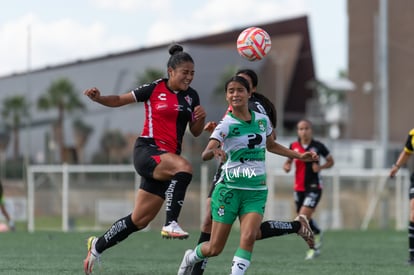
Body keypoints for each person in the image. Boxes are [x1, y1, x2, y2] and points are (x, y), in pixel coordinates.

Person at [82, 44, 206, 275]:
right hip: (147, 150)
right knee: (185, 167)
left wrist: (200, 119)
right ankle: (170, 224)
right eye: (184, 72)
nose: (189, 77)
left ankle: (97, 246)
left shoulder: (192, 96)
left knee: (140, 220)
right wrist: (99, 99)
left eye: (192, 73)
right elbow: (120, 99)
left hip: (167, 160)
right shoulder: (155, 88)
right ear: (171, 71)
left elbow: (196, 131)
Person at [178, 76, 318, 275]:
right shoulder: (225, 124)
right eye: (231, 91)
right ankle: (190, 257)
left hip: (255, 191)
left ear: (249, 94)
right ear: (227, 96)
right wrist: (214, 151)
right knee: (215, 248)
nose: (235, 94)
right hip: (229, 190)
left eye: (240, 90)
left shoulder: (262, 121)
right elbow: (205, 153)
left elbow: (271, 145)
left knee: (249, 236)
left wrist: (299, 156)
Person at [283, 119, 334, 260]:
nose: (303, 131)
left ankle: (313, 249)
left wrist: (321, 167)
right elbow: (287, 162)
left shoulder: (318, 146)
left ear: (311, 130)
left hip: (314, 187)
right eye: (301, 129)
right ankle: (317, 232)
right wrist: (286, 166)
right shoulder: (293, 146)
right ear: (298, 131)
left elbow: (331, 161)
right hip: (298, 188)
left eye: (306, 128)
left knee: (302, 218)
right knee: (302, 219)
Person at [389, 128, 414, 265]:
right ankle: (412, 256)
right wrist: (396, 166)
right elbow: (407, 151)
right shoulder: (412, 134)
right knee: (413, 214)